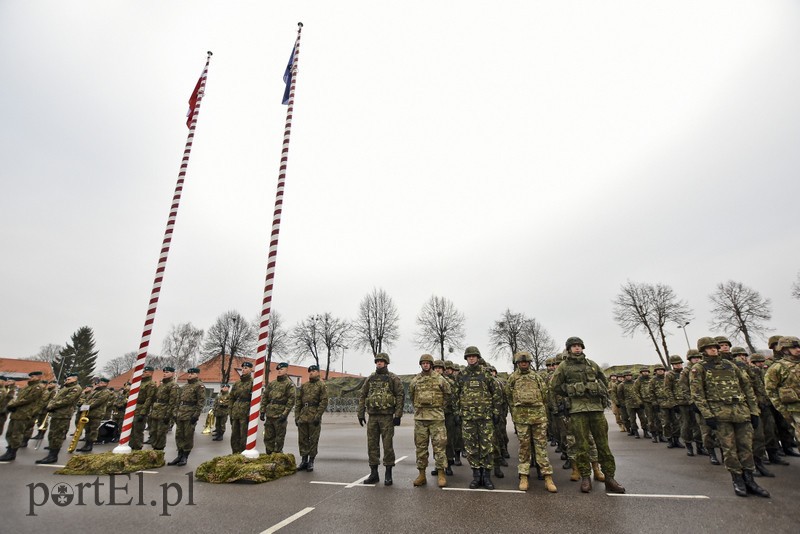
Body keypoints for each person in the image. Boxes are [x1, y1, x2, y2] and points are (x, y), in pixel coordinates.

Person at [690, 337, 769, 498]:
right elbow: (697, 394)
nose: (714, 350)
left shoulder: (731, 365)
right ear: (703, 350)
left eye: (715, 347)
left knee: (746, 447)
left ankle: (750, 480)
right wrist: (708, 415)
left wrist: (754, 411)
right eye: (710, 348)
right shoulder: (699, 368)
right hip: (720, 416)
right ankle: (737, 480)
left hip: (741, 413)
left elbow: (746, 387)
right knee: (729, 449)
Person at [551, 337, 625, 494]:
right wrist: (570, 392)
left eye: (579, 346)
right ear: (569, 349)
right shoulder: (564, 366)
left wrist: (601, 395)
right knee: (581, 445)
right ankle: (585, 477)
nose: (577, 348)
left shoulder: (591, 364)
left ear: (582, 347)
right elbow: (555, 386)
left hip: (595, 409)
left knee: (603, 444)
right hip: (577, 411)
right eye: (573, 346)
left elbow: (603, 380)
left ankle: (610, 477)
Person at [506, 351, 556, 493]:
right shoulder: (513, 378)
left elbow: (545, 394)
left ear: (529, 363)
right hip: (521, 418)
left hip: (538, 417)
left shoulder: (536, 377)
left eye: (526, 362)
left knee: (541, 446)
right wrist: (516, 411)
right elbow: (508, 396)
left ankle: (547, 476)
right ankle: (524, 476)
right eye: (521, 362)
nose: (524, 364)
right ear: (517, 363)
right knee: (524, 447)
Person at [456, 346, 501, 490]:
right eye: (469, 356)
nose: (471, 358)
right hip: (468, 418)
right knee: (471, 447)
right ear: (466, 358)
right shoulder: (462, 375)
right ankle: (476, 476)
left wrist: (496, 412)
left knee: (487, 447)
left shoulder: (486, 374)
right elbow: (455, 396)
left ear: (478, 357)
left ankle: (486, 477)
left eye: (474, 356)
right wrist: (457, 412)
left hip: (485, 417)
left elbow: (496, 393)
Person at [356, 353, 403, 485]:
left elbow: (399, 396)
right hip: (372, 417)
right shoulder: (370, 378)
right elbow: (363, 395)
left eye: (381, 361)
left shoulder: (393, 378)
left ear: (386, 363)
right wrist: (360, 413)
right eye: (377, 361)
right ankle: (374, 473)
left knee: (387, 446)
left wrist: (398, 415)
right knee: (372, 445)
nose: (379, 363)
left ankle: (388, 473)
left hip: (387, 417)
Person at [409, 354, 450, 488]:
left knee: (439, 447)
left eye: (428, 363)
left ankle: (441, 474)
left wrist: (440, 408)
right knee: (420, 448)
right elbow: (411, 395)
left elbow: (448, 394)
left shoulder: (440, 379)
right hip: (421, 419)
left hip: (436, 419)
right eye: (423, 363)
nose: (425, 365)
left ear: (431, 364)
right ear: (420, 364)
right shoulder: (415, 380)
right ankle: (421, 475)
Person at [36, 373, 81, 464]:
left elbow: (67, 400)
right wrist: (50, 405)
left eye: (69, 379)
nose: (67, 380)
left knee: (57, 435)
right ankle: (51, 454)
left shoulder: (76, 388)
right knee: (52, 434)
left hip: (63, 415)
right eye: (67, 379)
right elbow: (55, 399)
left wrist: (53, 406)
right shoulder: (65, 388)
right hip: (57, 414)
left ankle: (53, 456)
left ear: (75, 379)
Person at [0, 372, 46, 461]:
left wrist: (13, 405)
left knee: (17, 434)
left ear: (38, 377)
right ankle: (9, 450)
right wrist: (13, 405)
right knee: (10, 432)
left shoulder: (37, 387)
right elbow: (18, 397)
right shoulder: (27, 386)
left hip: (24, 413)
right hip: (17, 412)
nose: (30, 378)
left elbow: (27, 399)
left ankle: (12, 453)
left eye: (33, 376)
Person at [765, 336, 800, 442]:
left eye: (798, 346)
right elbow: (771, 391)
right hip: (795, 409)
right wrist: (782, 409)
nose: (798, 349)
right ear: (784, 349)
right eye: (794, 347)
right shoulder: (776, 368)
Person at [169, 368, 205, 466]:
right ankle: (179, 455)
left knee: (187, 436)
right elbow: (178, 401)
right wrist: (175, 413)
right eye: (188, 374)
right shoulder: (184, 386)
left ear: (197, 375)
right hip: (181, 414)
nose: (189, 375)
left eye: (192, 374)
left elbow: (200, 402)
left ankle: (185, 456)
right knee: (179, 435)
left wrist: (196, 415)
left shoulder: (199, 386)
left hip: (190, 414)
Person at [295, 365, 328, 471]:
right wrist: (297, 416)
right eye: (310, 371)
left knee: (313, 439)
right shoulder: (304, 386)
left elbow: (324, 401)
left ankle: (311, 461)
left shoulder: (321, 385)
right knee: (302, 439)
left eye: (313, 371)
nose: (311, 373)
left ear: (318, 372)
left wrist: (318, 415)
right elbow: (298, 401)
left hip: (314, 415)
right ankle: (304, 460)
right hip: (303, 415)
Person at [261, 362, 296, 454]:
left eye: (282, 369)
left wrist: (284, 414)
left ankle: (277, 455)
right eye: (278, 369)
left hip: (280, 415)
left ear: (286, 370)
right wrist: (262, 411)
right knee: (268, 437)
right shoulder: (272, 384)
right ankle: (269, 454)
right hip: (270, 415)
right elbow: (265, 397)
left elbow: (291, 400)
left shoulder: (289, 384)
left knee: (279, 438)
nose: (279, 371)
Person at [75, 377, 114, 453]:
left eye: (102, 383)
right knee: (87, 429)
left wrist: (85, 407)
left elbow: (97, 402)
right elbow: (87, 400)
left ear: (106, 384)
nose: (100, 384)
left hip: (96, 414)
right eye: (100, 382)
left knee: (93, 430)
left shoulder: (105, 392)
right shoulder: (95, 391)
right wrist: (83, 406)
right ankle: (86, 444)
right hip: (89, 413)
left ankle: (90, 445)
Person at [147, 368, 179, 452]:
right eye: (164, 372)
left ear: (172, 373)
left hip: (164, 412)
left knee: (160, 433)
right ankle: (154, 449)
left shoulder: (173, 386)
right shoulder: (162, 385)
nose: (164, 374)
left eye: (167, 372)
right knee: (153, 431)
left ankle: (159, 451)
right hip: (156, 411)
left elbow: (172, 401)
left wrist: (168, 415)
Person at [229, 362, 253, 454]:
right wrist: (230, 411)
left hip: (245, 413)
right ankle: (235, 453)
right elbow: (231, 397)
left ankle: (243, 453)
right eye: (242, 368)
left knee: (244, 435)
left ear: (251, 369)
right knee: (234, 435)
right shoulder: (237, 383)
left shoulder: (252, 383)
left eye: (246, 368)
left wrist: (250, 414)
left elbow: (254, 400)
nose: (243, 369)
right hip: (235, 413)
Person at [131, 366, 156, 450]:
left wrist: (143, 412)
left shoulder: (151, 384)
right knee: (131, 429)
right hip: (134, 407)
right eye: (143, 372)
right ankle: (131, 446)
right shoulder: (139, 383)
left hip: (141, 408)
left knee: (138, 430)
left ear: (151, 373)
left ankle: (137, 447)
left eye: (146, 372)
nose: (144, 373)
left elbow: (149, 399)